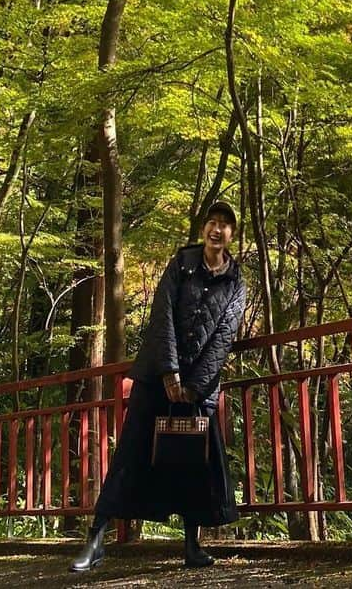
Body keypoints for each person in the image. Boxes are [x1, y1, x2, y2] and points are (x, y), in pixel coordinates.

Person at [71, 200, 246, 572]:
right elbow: (161, 315)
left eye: (224, 225)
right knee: (131, 454)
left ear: (232, 233)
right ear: (203, 229)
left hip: (200, 388)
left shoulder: (235, 281)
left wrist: (194, 387)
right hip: (156, 377)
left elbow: (224, 336)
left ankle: (191, 546)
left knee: (193, 463)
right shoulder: (182, 263)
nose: (216, 230)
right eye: (211, 222)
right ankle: (96, 538)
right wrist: (169, 372)